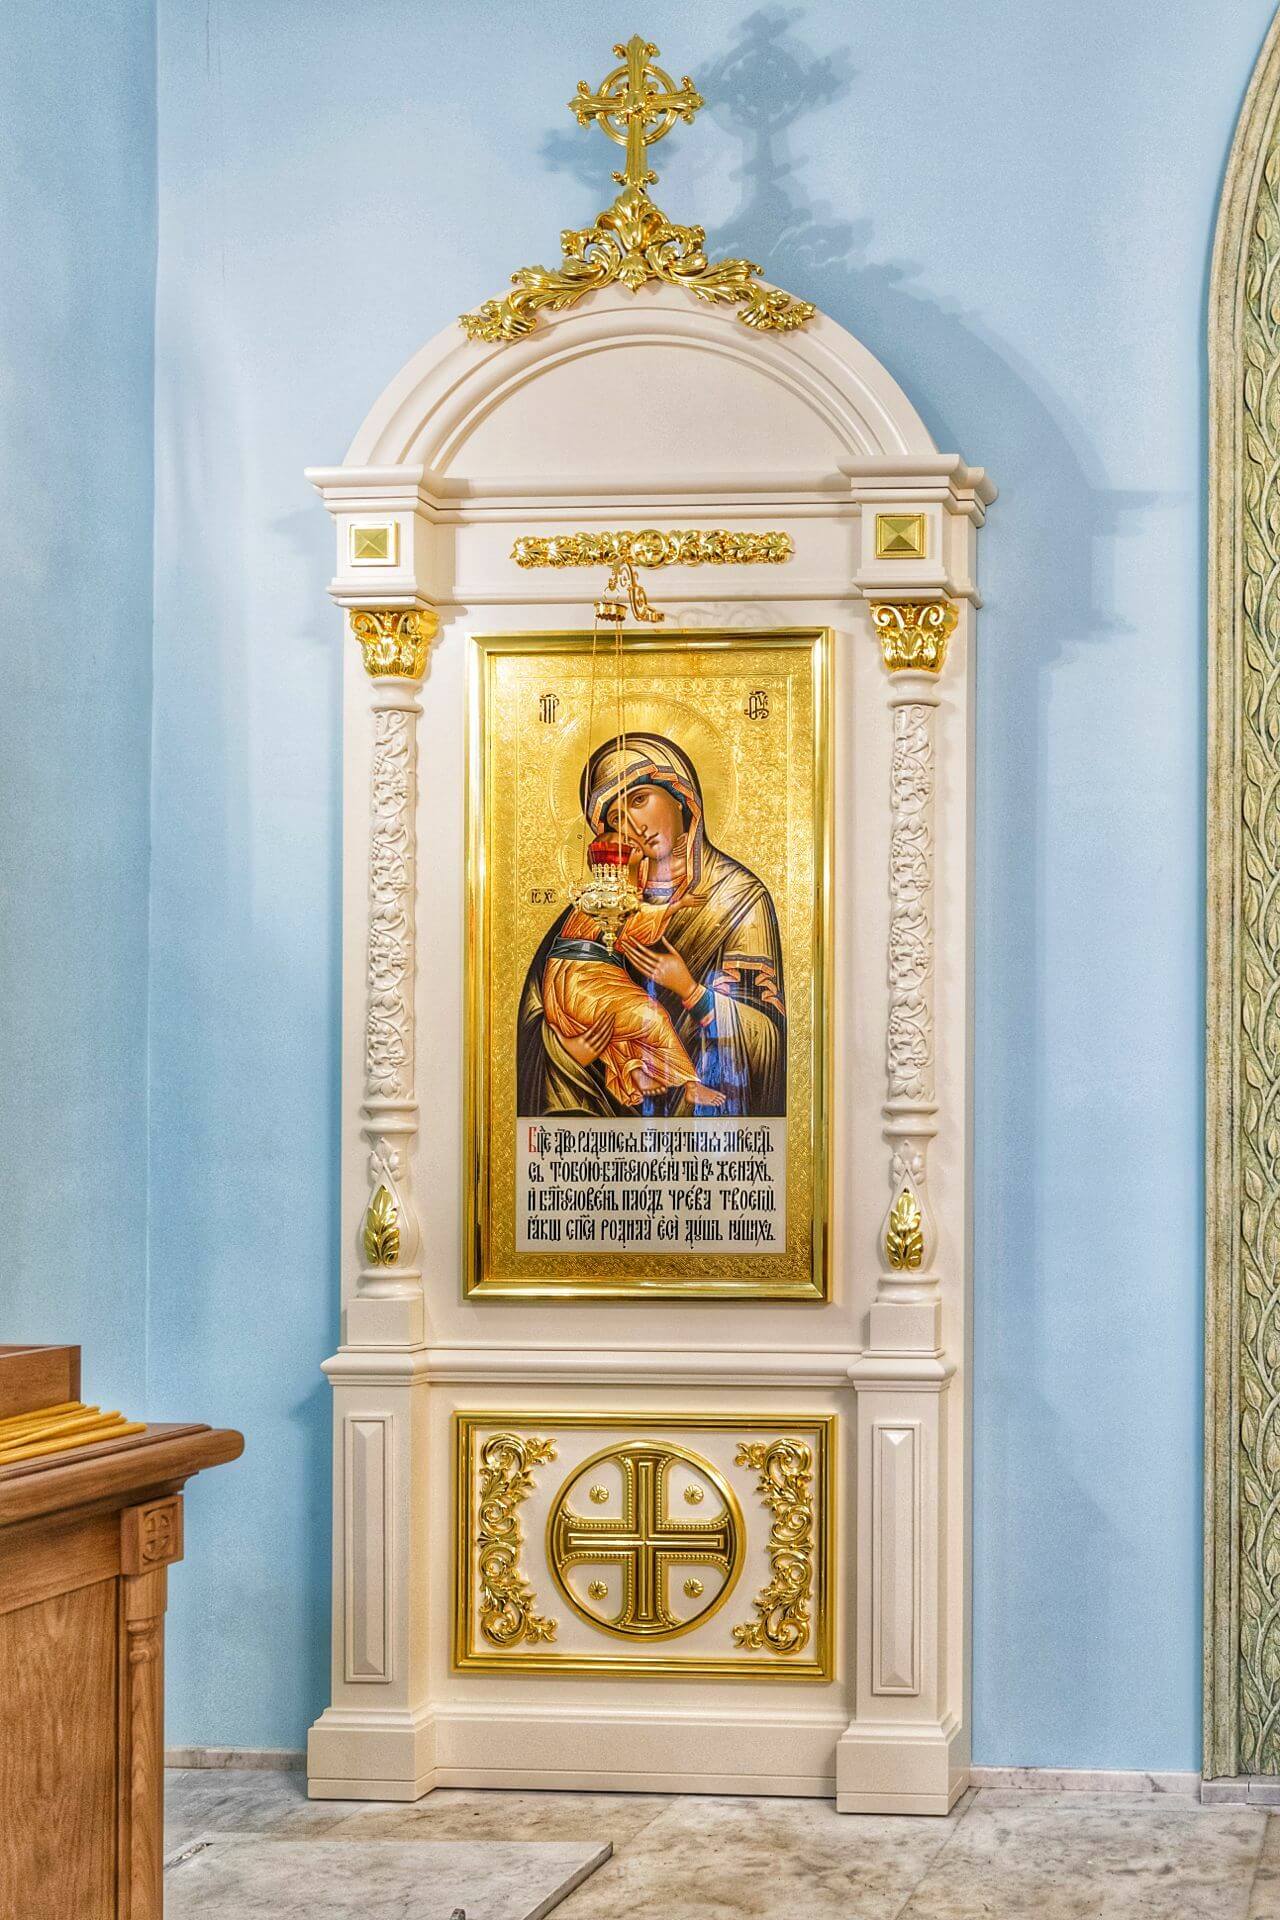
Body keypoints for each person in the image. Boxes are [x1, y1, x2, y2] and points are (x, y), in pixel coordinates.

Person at [517, 732, 786, 1118]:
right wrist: (567, 1052)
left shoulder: (737, 898)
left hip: (704, 1131)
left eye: (640, 800)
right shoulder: (599, 906)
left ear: (681, 796)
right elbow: (539, 1016)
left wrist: (690, 989)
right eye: (616, 818)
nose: (634, 826)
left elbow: (771, 1039)